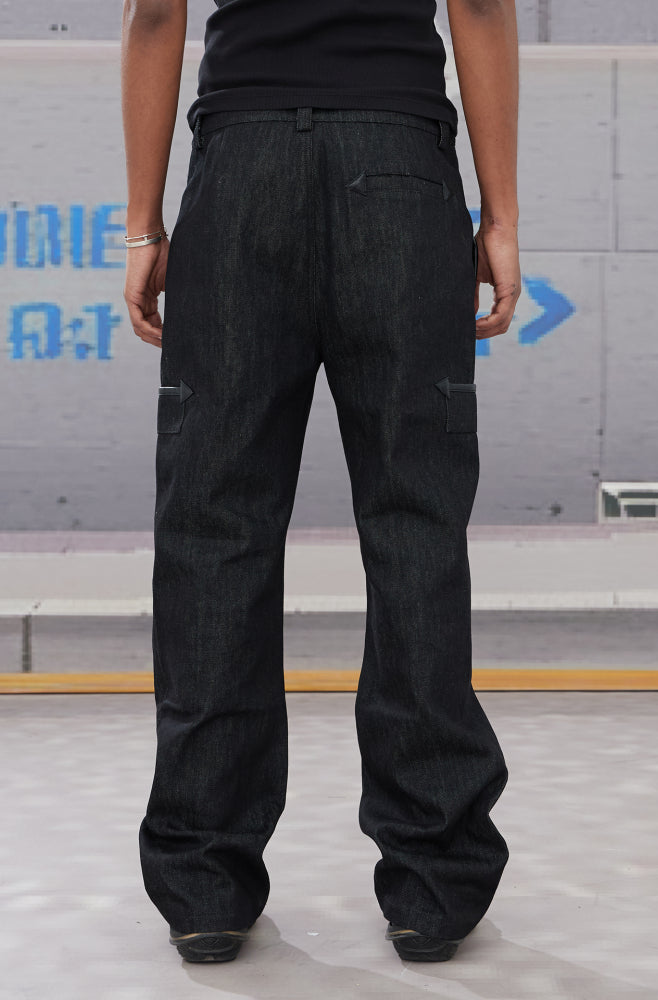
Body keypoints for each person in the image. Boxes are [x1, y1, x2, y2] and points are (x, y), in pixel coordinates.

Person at [121, 0, 520, 965]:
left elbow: (154, 14)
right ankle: (433, 881)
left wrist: (143, 226)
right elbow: (478, 4)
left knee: (215, 524)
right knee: (416, 521)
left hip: (242, 163)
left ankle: (205, 881)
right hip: (401, 163)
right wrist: (500, 214)